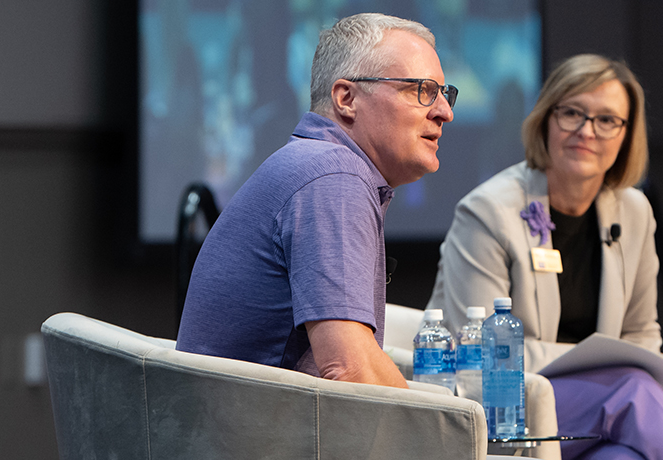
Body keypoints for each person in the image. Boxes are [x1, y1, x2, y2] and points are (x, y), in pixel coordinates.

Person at [427, 54, 663, 459]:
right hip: (505, 409)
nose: (586, 131)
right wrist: (607, 374)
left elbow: (643, 335)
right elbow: (487, 354)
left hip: (592, 417)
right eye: (572, 113)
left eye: (607, 120)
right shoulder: (488, 211)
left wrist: (610, 374)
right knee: (632, 390)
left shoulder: (634, 211)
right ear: (546, 120)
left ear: (628, 136)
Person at [177, 13, 456, 389]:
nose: (444, 111)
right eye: (421, 89)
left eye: (444, 92)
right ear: (346, 99)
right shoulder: (334, 176)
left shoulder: (321, 164)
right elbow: (349, 369)